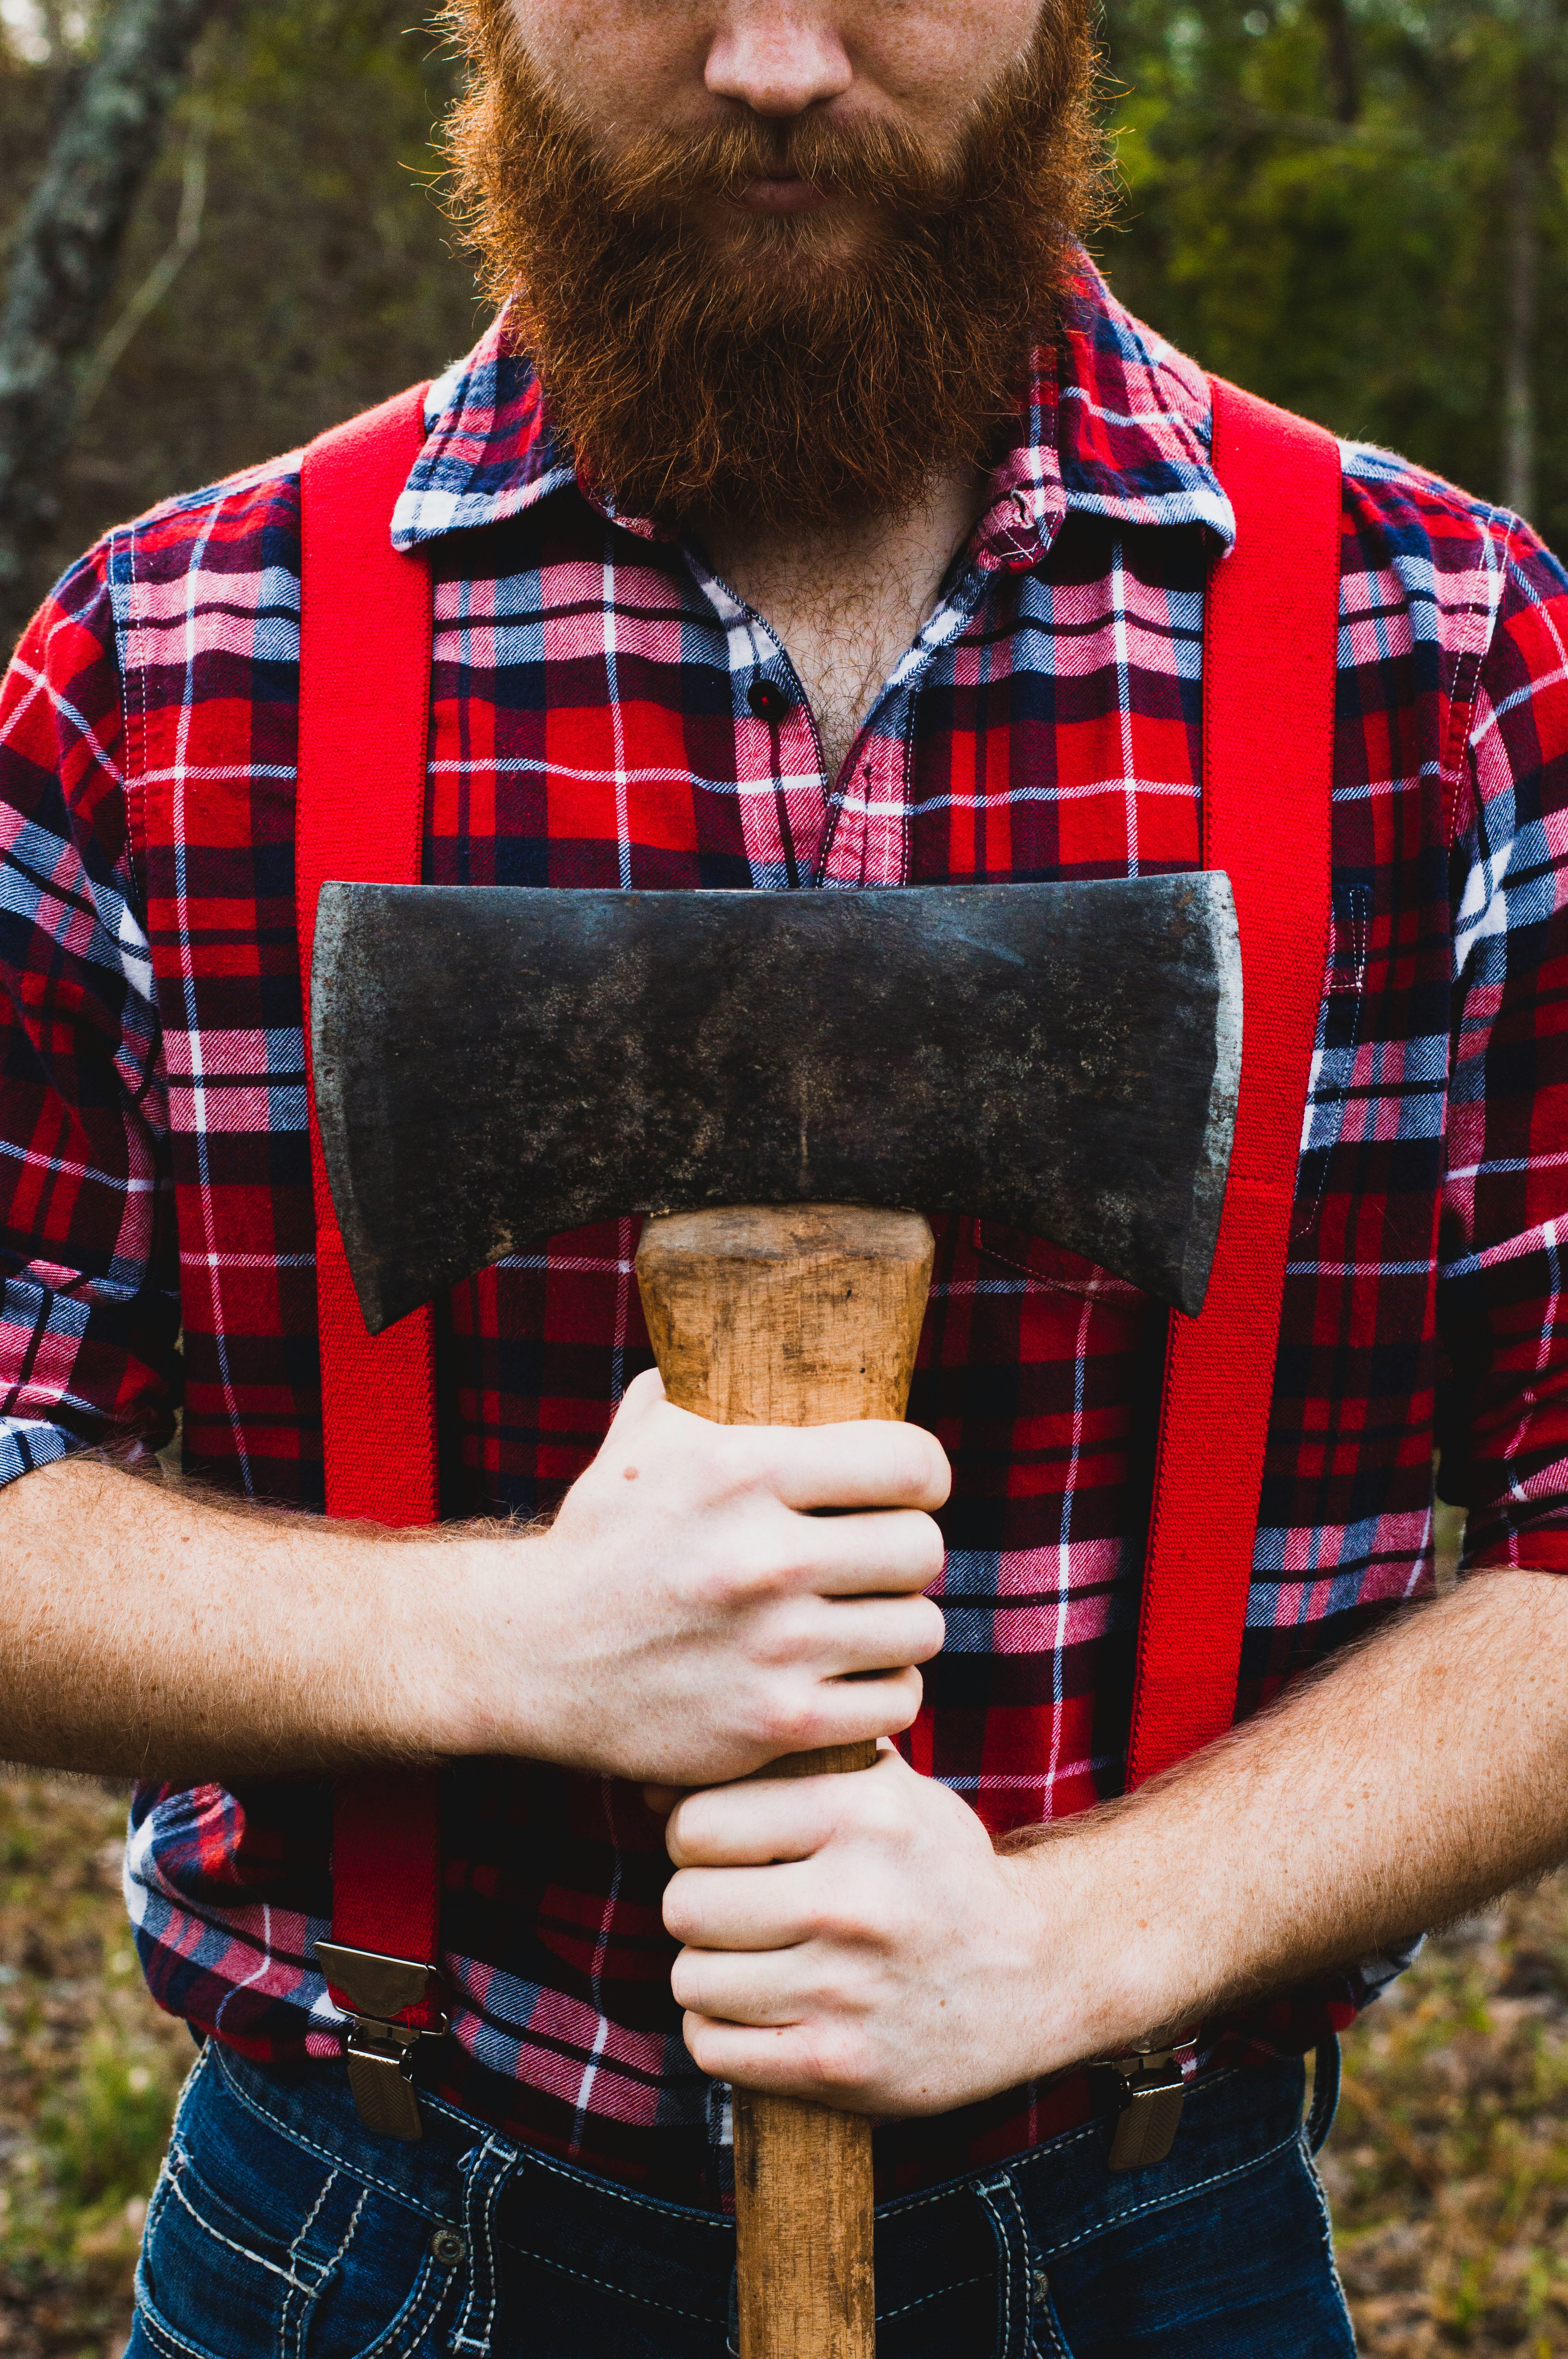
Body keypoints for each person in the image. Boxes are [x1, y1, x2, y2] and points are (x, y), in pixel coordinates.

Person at [1, 1, 1565, 2351]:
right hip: (364, 2233)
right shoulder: (171, 668)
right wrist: (513, 1638)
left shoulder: (1439, 661)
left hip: (1158, 2238)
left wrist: (1072, 1937)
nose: (768, 58)